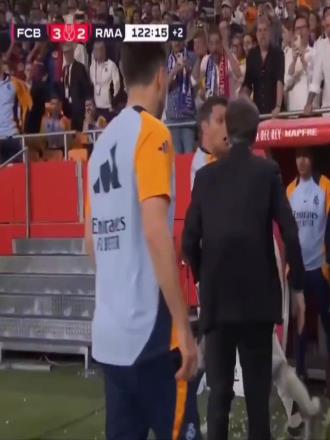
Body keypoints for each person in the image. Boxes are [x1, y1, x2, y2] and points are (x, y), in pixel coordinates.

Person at [84, 42, 197, 440]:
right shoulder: (152, 132)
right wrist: (182, 325)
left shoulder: (100, 145)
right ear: (161, 77)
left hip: (109, 336)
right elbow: (155, 231)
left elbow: (91, 242)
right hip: (149, 336)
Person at [190, 96, 319, 437]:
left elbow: (189, 242)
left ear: (228, 129)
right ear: (257, 133)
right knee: (257, 401)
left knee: (219, 396)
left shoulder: (204, 177)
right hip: (257, 303)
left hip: (219, 302)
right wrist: (298, 288)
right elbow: (290, 232)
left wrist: (205, 278)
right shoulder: (267, 172)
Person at [287, 149, 330, 380]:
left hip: (319, 268)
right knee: (300, 320)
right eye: (298, 157)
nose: (301, 161)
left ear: (312, 159)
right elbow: (287, 229)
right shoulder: (290, 190)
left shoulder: (326, 186)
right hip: (298, 269)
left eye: (306, 156)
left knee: (327, 319)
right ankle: (300, 370)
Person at [241, 17, 285, 117]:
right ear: (256, 34)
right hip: (258, 110)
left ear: (270, 33)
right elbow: (247, 83)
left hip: (275, 109)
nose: (262, 34)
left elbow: (280, 80)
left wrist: (278, 106)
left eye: (265, 30)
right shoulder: (252, 55)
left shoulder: (278, 53)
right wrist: (245, 105)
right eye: (260, 31)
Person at [61, 43, 91, 131]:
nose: (66, 55)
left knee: (79, 131)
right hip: (67, 108)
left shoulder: (80, 68)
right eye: (65, 53)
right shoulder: (64, 70)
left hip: (78, 107)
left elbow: (86, 87)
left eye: (68, 52)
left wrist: (86, 105)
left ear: (72, 53)